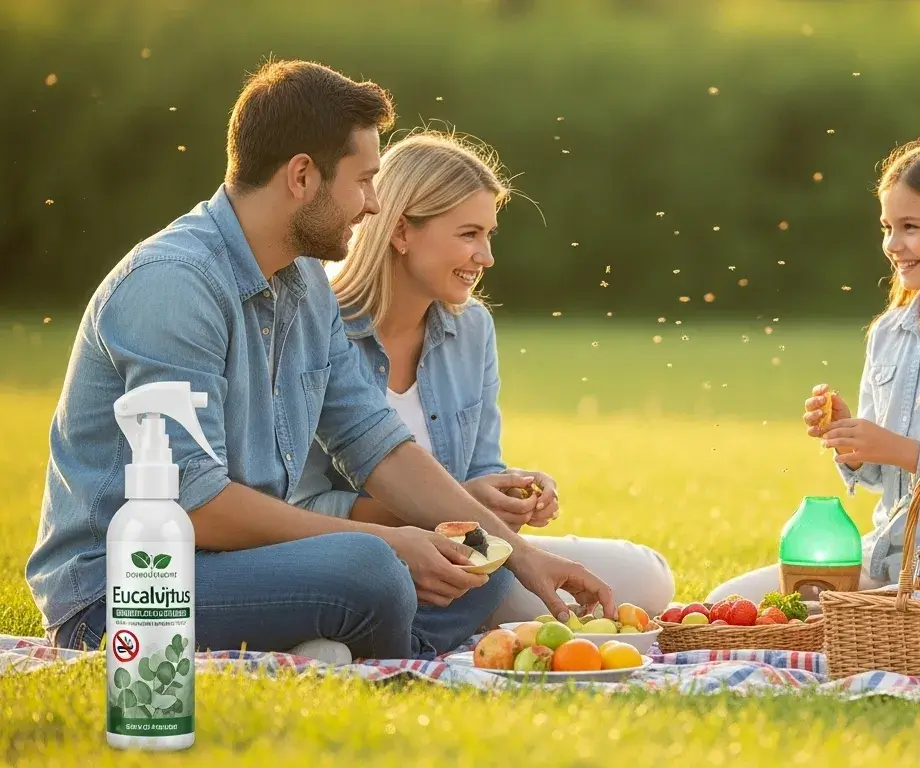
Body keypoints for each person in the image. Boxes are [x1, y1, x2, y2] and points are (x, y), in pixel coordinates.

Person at [26, 60, 612, 661]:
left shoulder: (303, 282)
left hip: (246, 567)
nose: (374, 205)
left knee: (464, 559)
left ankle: (346, 639)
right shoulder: (174, 285)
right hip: (131, 590)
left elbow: (373, 440)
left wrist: (522, 554)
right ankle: (370, 634)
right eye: (363, 181)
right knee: (374, 570)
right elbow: (193, 504)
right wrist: (391, 542)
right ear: (302, 176)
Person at [290, 130, 675, 625]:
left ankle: (398, 626)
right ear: (402, 231)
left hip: (472, 554)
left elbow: (481, 468)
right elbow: (305, 505)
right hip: (358, 558)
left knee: (647, 576)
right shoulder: (318, 328)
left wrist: (513, 495)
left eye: (489, 235)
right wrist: (459, 504)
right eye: (469, 234)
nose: (486, 257)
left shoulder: (471, 328)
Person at [708, 133, 920, 602]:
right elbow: (878, 476)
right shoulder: (888, 333)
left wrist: (901, 449)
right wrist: (852, 441)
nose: (893, 244)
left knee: (825, 629)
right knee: (724, 603)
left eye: (910, 226)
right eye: (886, 227)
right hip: (881, 559)